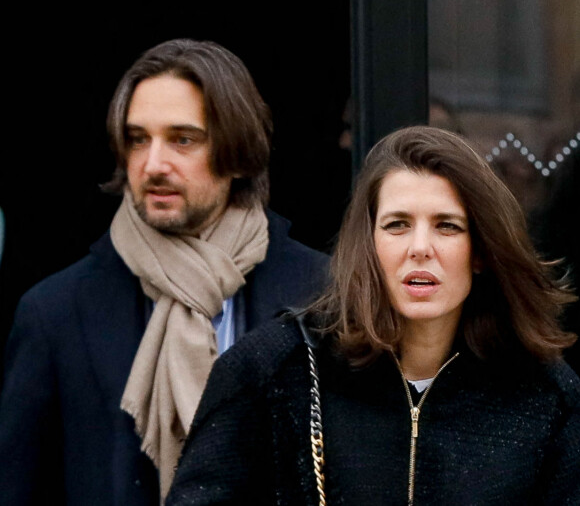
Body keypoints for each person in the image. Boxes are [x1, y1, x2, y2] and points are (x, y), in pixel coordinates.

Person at [167, 125, 580, 506]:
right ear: (369, 245)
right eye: (397, 224)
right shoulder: (272, 370)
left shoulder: (543, 393)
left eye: (447, 226)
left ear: (480, 252)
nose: (420, 247)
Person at [0, 38, 329, 505]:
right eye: (138, 139)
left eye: (183, 139)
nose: (153, 164)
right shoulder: (55, 313)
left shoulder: (325, 295)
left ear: (236, 151)